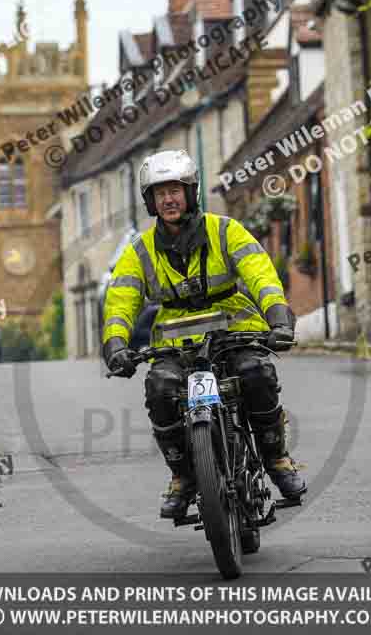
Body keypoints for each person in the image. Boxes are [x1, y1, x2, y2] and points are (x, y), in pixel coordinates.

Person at [102, 149, 306, 519]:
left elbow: (260, 273)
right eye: (159, 193)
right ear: (149, 201)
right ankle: (182, 476)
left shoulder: (226, 230)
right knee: (161, 389)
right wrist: (116, 344)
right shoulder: (140, 251)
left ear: (191, 191)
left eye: (175, 190)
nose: (168, 199)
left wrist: (278, 318)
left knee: (256, 374)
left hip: (234, 328)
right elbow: (121, 299)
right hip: (175, 342)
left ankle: (276, 459)